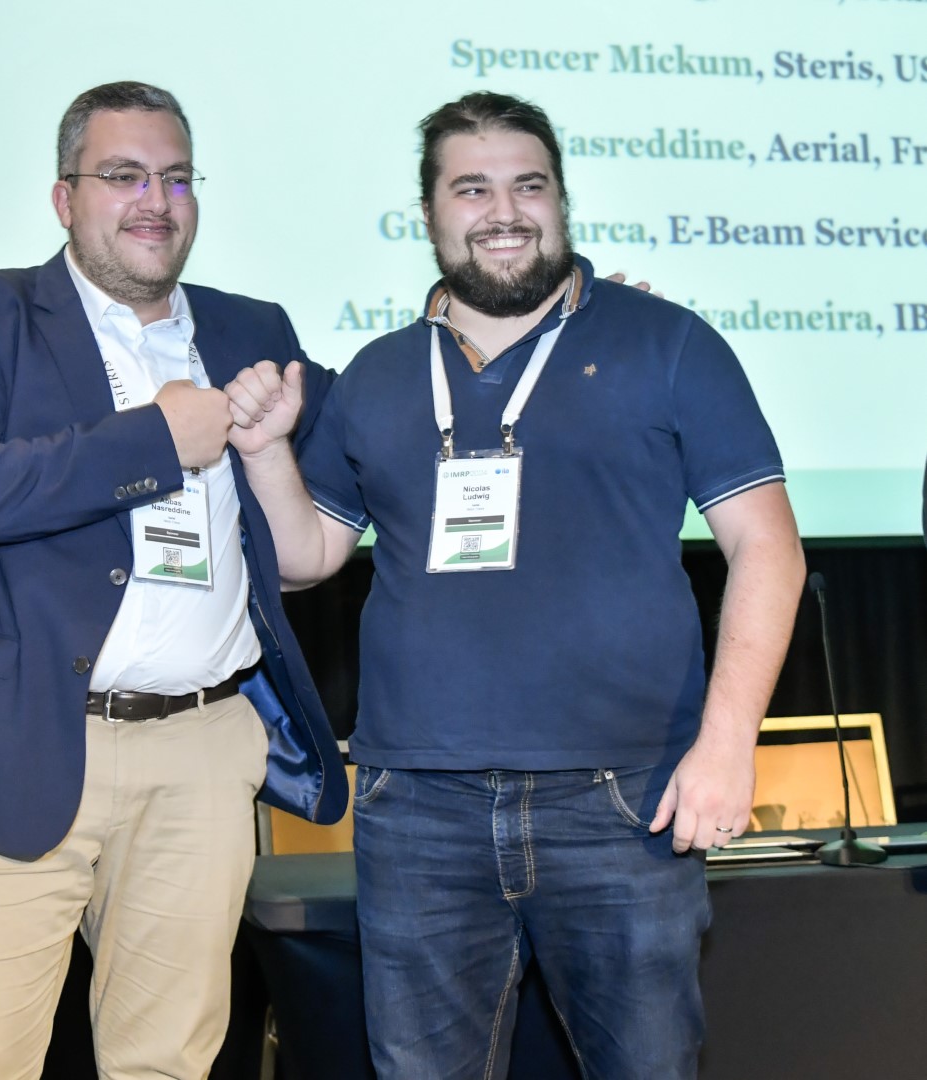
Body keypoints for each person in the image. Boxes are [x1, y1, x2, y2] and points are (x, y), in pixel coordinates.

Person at [226, 91, 806, 1079]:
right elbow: (304, 556)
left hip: (624, 801)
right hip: (418, 805)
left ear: (561, 201)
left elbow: (768, 549)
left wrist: (727, 746)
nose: (503, 211)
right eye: (472, 189)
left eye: (528, 186)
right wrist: (265, 450)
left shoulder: (668, 342)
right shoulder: (378, 372)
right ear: (429, 214)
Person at [0, 81, 347, 1080]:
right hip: (10, 743)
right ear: (65, 198)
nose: (156, 200)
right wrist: (154, 441)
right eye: (124, 175)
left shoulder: (251, 329)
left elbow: (378, 431)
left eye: (176, 178)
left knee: (169, 1062)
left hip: (201, 749)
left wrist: (553, 323)